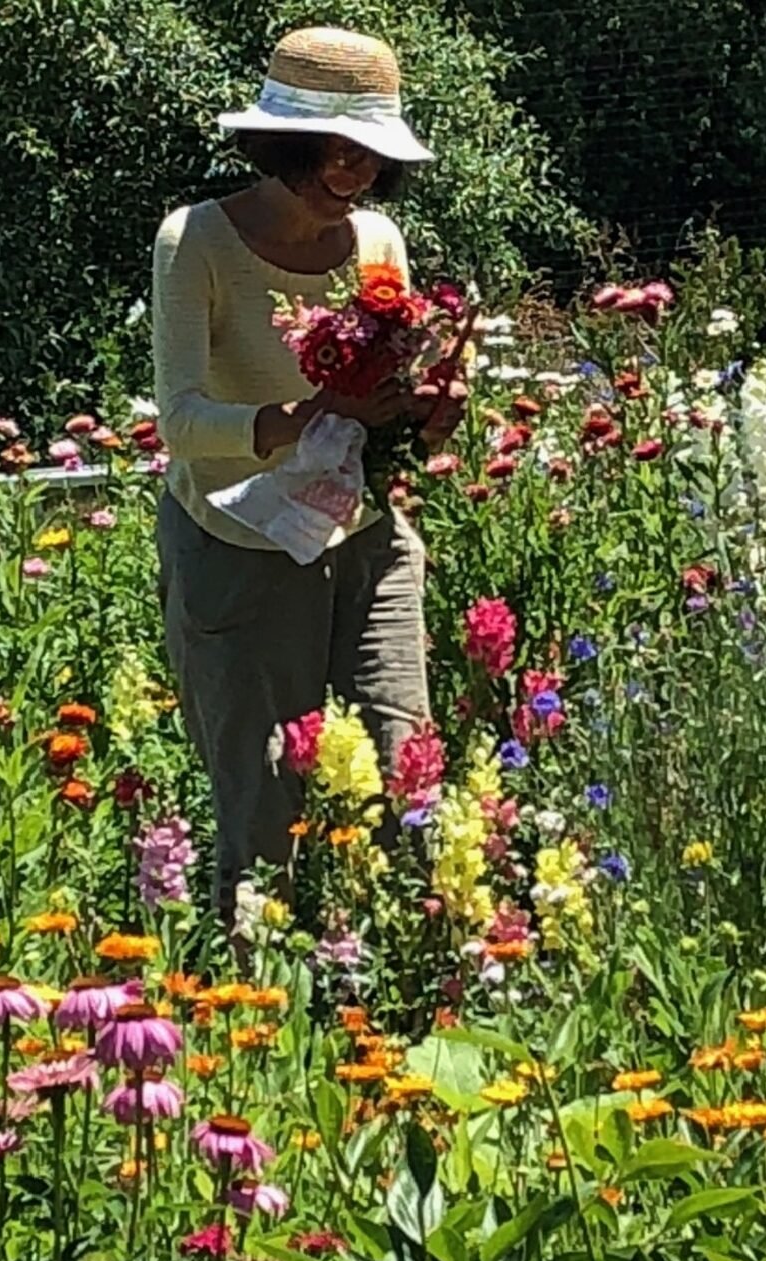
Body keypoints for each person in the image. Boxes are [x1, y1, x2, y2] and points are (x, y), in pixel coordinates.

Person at [152, 26, 462, 920]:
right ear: (279, 141)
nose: (352, 169)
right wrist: (306, 419)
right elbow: (181, 425)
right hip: (238, 542)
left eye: (368, 152)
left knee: (407, 766)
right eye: (332, 148)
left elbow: (390, 390)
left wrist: (428, 407)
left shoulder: (377, 242)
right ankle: (255, 1014)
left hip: (364, 535)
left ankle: (418, 981)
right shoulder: (197, 241)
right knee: (263, 797)